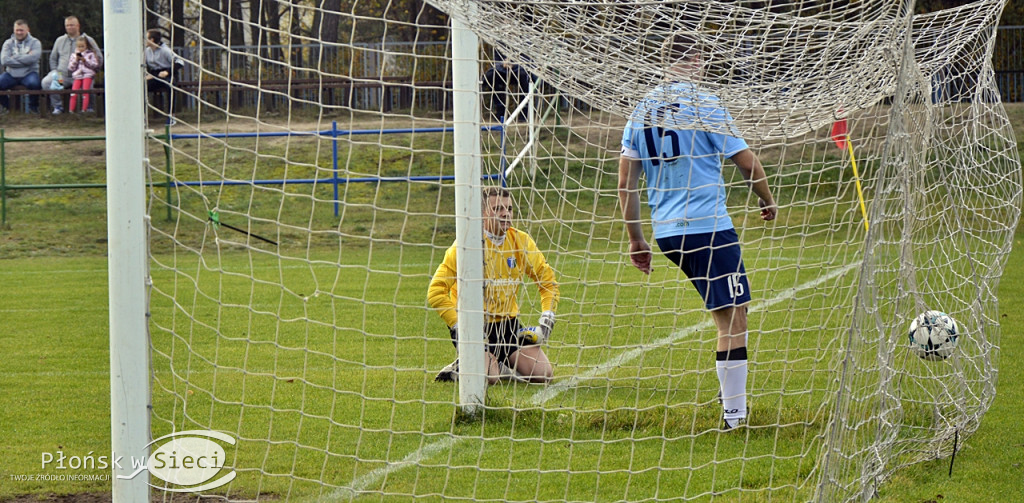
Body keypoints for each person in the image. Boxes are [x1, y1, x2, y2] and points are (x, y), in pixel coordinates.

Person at [617, 37, 777, 430]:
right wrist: (766, 199)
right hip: (708, 226)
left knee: (729, 314)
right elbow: (745, 160)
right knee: (733, 320)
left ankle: (732, 403)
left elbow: (626, 184)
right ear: (697, 60)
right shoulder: (704, 103)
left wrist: (637, 239)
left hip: (667, 233)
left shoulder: (640, 110)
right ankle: (734, 416)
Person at [428, 187, 559, 384]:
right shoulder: (465, 246)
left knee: (543, 374)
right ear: (482, 213)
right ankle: (463, 365)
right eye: (498, 208)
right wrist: (457, 325)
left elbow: (547, 280)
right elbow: (436, 291)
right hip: (473, 325)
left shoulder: (520, 241)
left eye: (509, 208)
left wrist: (547, 314)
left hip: (507, 325)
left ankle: (498, 361)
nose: (506, 213)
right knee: (490, 378)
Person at [42, 16, 102, 115]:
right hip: (63, 75)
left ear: (78, 26)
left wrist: (92, 71)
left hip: (82, 75)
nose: (70, 27)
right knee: (47, 82)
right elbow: (53, 58)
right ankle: (58, 107)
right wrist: (55, 71)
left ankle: (88, 109)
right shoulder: (60, 40)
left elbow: (98, 57)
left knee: (88, 86)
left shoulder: (88, 40)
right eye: (67, 25)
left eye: (72, 25)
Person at [0, 20, 42, 114]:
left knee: (34, 83)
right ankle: (10, 108)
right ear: (14, 30)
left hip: (29, 73)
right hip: (10, 74)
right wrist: (26, 57)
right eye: (17, 30)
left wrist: (13, 57)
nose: (19, 32)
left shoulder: (35, 43)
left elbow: (33, 59)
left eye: (21, 30)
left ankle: (33, 108)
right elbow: (4, 60)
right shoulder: (8, 43)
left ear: (27, 30)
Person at [481, 50, 535, 123]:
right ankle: (500, 109)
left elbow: (529, 61)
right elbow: (496, 61)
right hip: (503, 69)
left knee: (524, 75)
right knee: (491, 75)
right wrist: (502, 64)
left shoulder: (525, 40)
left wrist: (513, 63)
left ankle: (524, 111)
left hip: (521, 68)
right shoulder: (500, 41)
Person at [144, 28, 183, 125]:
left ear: (152, 39)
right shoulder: (146, 51)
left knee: (170, 87)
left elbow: (180, 62)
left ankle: (171, 115)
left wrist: (167, 72)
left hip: (167, 75)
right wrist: (147, 75)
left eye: (146, 37)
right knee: (141, 88)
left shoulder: (165, 51)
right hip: (155, 75)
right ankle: (142, 116)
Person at [67, 38, 99, 113]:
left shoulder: (90, 54)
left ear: (86, 46)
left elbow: (95, 65)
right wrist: (76, 60)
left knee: (85, 92)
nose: (80, 48)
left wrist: (85, 61)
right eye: (79, 46)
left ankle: (84, 110)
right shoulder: (73, 55)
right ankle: (71, 110)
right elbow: (70, 67)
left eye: (82, 46)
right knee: (74, 92)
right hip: (77, 75)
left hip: (87, 74)